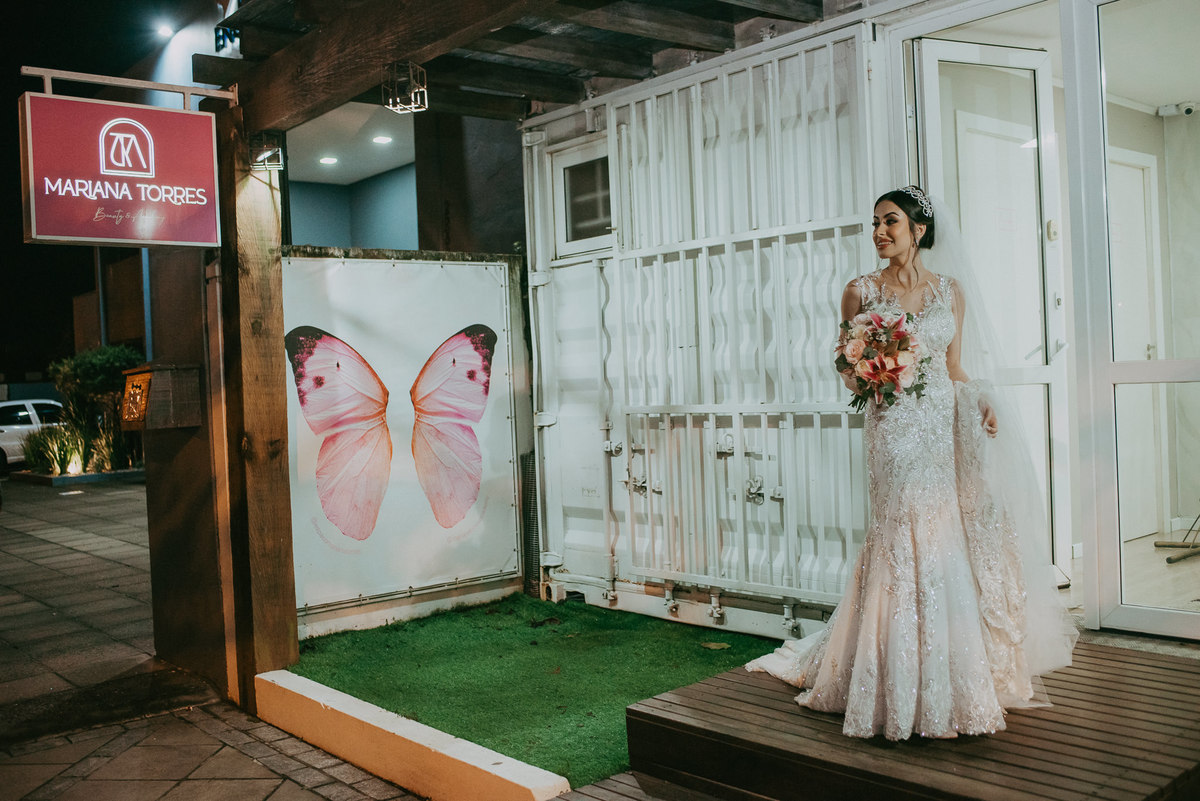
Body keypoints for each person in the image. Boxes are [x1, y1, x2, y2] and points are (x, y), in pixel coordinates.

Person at [747, 185, 1077, 740]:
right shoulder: (860, 291)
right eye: (874, 222)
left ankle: (952, 674)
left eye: (890, 221)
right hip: (892, 430)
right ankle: (889, 676)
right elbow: (846, 370)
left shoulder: (951, 292)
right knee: (902, 535)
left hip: (941, 429)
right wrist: (870, 370)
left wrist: (982, 402)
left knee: (944, 534)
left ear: (918, 230)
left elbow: (953, 367)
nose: (879, 231)